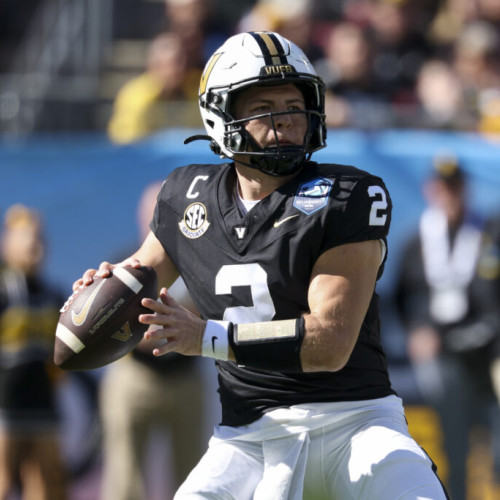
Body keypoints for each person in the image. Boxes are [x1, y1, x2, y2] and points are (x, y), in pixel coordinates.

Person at [73, 31, 449, 499]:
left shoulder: (347, 195)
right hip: (248, 437)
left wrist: (204, 336)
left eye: (293, 105)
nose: (284, 119)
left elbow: (329, 343)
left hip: (355, 423)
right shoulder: (186, 196)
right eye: (264, 107)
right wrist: (101, 291)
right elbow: (138, 281)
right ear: (221, 115)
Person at [394, 156, 500, 500]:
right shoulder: (419, 240)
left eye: (455, 187)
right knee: (454, 444)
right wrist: (416, 330)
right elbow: (400, 296)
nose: (449, 195)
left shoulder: (488, 231)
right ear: (431, 190)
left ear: (465, 189)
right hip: (445, 354)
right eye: (443, 187)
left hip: (491, 351)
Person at [98, 181, 206, 500]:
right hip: (135, 375)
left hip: (185, 376)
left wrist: (167, 324)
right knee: (124, 479)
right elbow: (110, 324)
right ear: (140, 217)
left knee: (193, 479)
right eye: (153, 214)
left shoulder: (200, 266)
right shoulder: (125, 263)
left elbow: (208, 316)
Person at [0, 205, 67, 500]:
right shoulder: (4, 291)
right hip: (6, 405)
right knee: (3, 479)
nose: (33, 242)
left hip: (42, 402)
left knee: (46, 479)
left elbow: (61, 355)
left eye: (39, 236)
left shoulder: (53, 295)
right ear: (7, 243)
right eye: (25, 235)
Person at [107, 31, 201, 144]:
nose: (180, 68)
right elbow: (127, 140)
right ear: (154, 65)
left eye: (183, 61)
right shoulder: (134, 95)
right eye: (174, 63)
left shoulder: (198, 88)